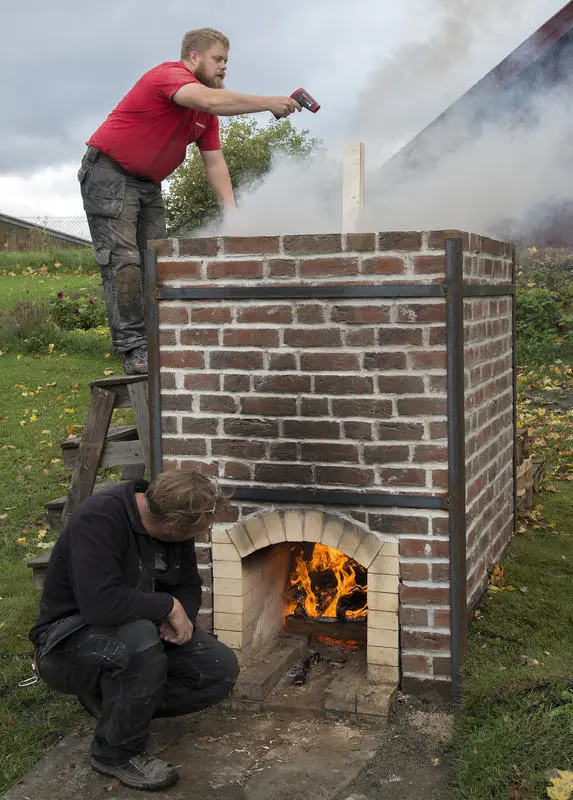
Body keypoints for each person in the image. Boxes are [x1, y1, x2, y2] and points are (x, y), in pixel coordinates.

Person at [79, 27, 300, 375]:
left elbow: (215, 162)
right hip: (109, 174)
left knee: (157, 261)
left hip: (148, 184)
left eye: (227, 60)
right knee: (125, 263)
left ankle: (158, 339)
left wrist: (232, 212)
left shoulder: (205, 115)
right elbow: (211, 99)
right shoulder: (169, 76)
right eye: (217, 59)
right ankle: (134, 349)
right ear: (193, 57)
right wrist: (269, 102)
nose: (224, 67)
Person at [29, 470, 239, 792]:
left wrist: (180, 619)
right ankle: (115, 752)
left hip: (135, 631)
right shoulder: (99, 520)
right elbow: (102, 605)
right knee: (140, 641)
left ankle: (116, 708)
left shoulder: (173, 533)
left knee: (218, 669)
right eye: (202, 527)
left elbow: (188, 587)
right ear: (172, 526)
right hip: (66, 640)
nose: (206, 530)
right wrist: (168, 608)